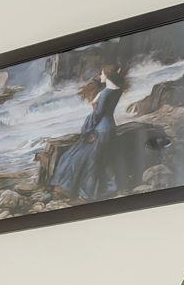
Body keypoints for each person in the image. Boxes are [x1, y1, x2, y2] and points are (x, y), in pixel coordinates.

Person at [50, 66, 127, 201]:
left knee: (75, 158)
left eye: (102, 73)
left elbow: (97, 115)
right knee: (101, 160)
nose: (100, 76)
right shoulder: (116, 91)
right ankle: (104, 189)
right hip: (109, 128)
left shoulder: (105, 94)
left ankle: (79, 192)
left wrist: (87, 131)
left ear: (108, 75)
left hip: (99, 130)